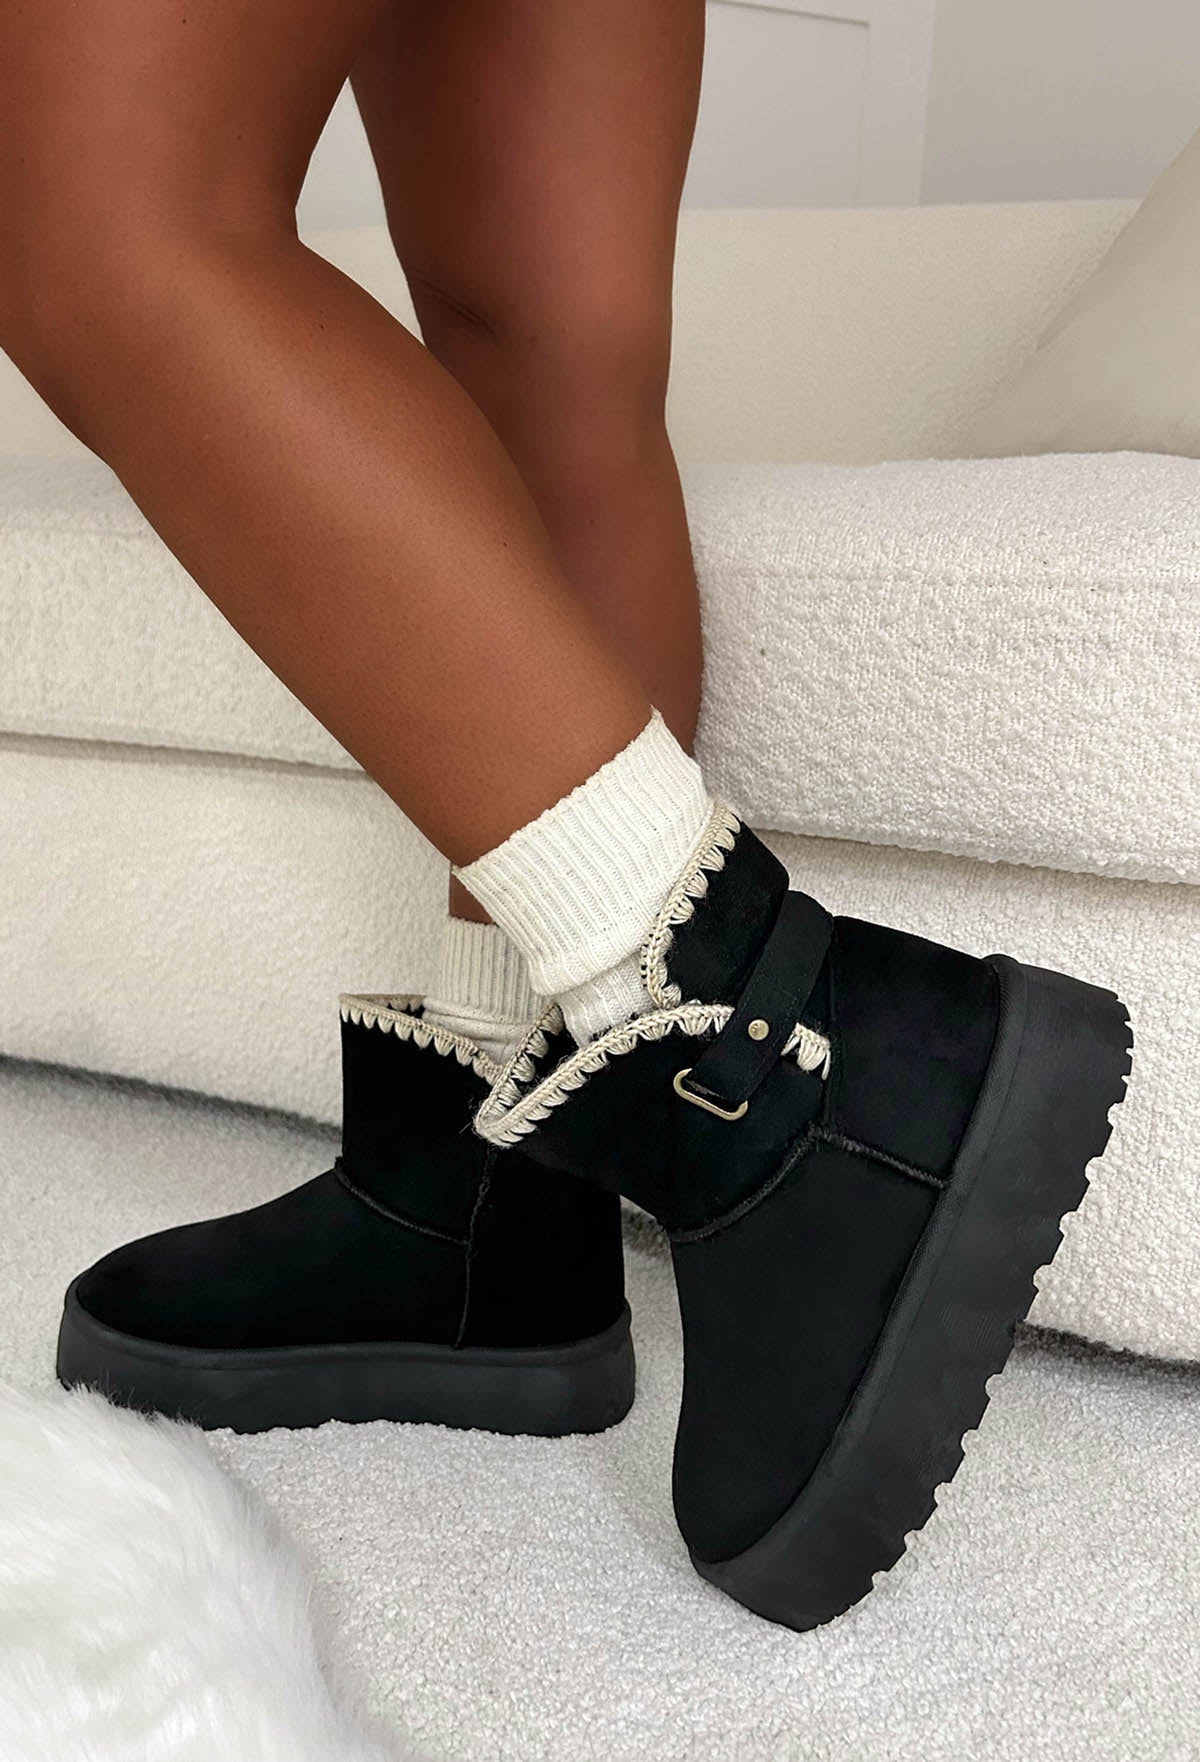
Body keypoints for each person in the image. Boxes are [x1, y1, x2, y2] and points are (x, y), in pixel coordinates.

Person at [3, 1, 1131, 1632]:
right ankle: (497, 1182)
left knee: (97, 218)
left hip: (754, 1007)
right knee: (536, 339)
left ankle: (752, 1025)